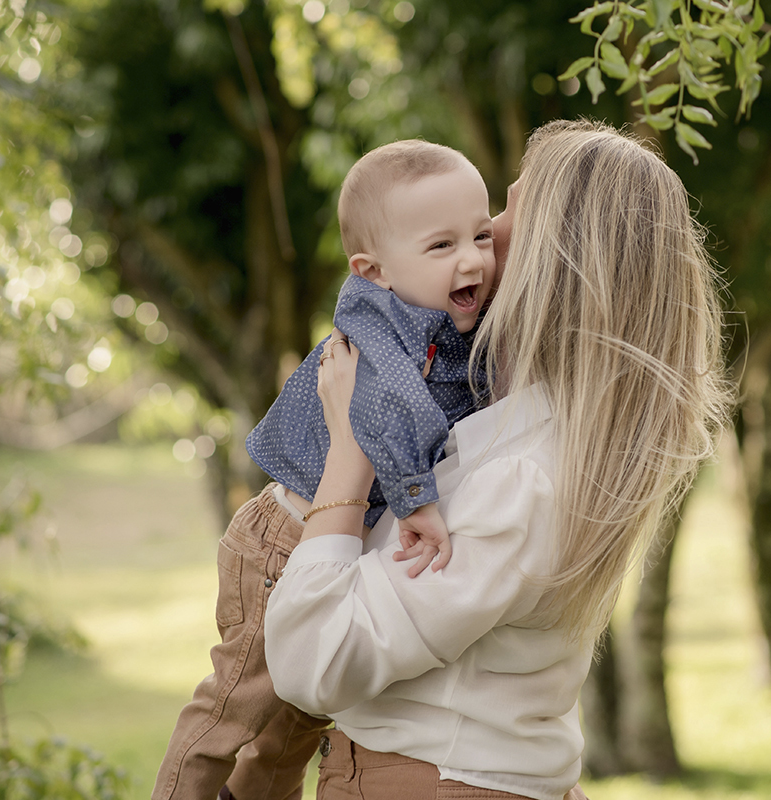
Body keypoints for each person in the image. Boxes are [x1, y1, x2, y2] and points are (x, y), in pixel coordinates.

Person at [264, 119, 733, 800]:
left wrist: (350, 455)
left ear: (556, 254)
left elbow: (314, 662)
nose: (488, 226)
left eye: (511, 210)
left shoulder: (523, 478)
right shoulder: (525, 428)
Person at [153, 140, 496, 800]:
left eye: (481, 235)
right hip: (280, 541)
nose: (474, 258)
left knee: (294, 727)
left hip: (324, 541)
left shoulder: (448, 318)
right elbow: (384, 403)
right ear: (372, 270)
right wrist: (418, 500)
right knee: (235, 706)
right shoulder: (377, 320)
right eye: (442, 246)